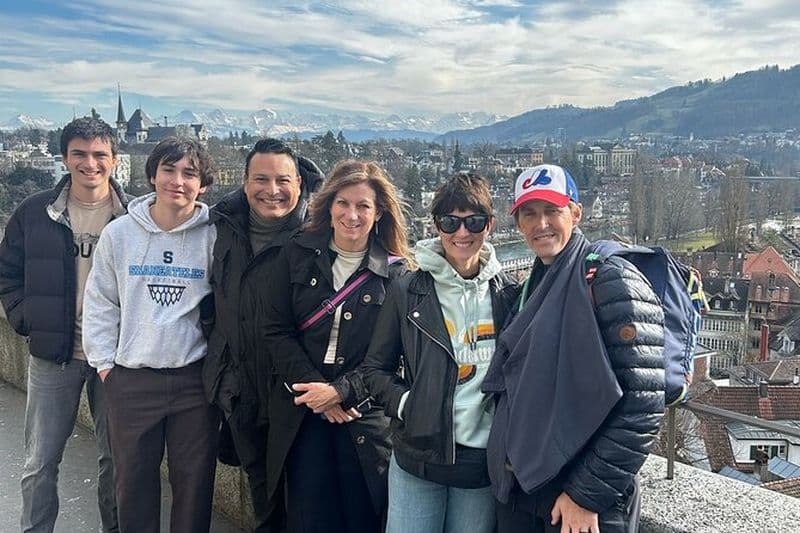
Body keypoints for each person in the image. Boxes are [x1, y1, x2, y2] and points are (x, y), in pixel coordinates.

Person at [481, 164, 666, 533]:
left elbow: (643, 403)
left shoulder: (611, 279)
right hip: (525, 492)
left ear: (576, 213)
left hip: (578, 498)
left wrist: (586, 495)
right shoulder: (529, 287)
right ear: (517, 222)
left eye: (553, 211)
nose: (541, 224)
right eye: (529, 214)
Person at [254, 160, 412, 533]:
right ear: (328, 206)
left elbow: (390, 354)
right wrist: (316, 391)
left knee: (364, 517)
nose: (351, 215)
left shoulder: (395, 275)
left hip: (363, 417)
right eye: (343, 203)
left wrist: (340, 392)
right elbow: (274, 329)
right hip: (302, 412)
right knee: (309, 517)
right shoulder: (295, 254)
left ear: (378, 214)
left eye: (363, 206)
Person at [361, 173, 519, 533]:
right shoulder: (407, 291)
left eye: (473, 221)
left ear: (490, 225)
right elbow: (375, 369)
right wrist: (408, 406)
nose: (462, 233)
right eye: (450, 222)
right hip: (419, 456)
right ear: (437, 226)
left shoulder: (508, 294)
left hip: (479, 463)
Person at [83, 137, 218, 533]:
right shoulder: (120, 234)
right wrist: (107, 367)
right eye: (169, 170)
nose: (178, 181)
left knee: (194, 486)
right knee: (133, 485)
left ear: (203, 184)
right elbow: (100, 302)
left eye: (189, 173)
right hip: (132, 378)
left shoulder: (213, 236)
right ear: (151, 176)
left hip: (194, 381)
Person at [0, 116, 126, 533]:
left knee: (116, 463)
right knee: (40, 461)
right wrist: (27, 319)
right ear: (64, 158)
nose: (90, 164)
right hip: (55, 355)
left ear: (114, 159)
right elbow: (7, 272)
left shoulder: (133, 219)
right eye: (79, 154)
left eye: (99, 155)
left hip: (116, 359)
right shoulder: (34, 212)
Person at [202, 137, 324, 532]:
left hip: (298, 397)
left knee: (305, 503)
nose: (272, 191)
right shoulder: (220, 228)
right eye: (261, 179)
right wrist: (222, 376)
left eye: (282, 180)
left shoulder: (318, 237)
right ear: (243, 181)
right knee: (263, 503)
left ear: (300, 184)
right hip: (241, 394)